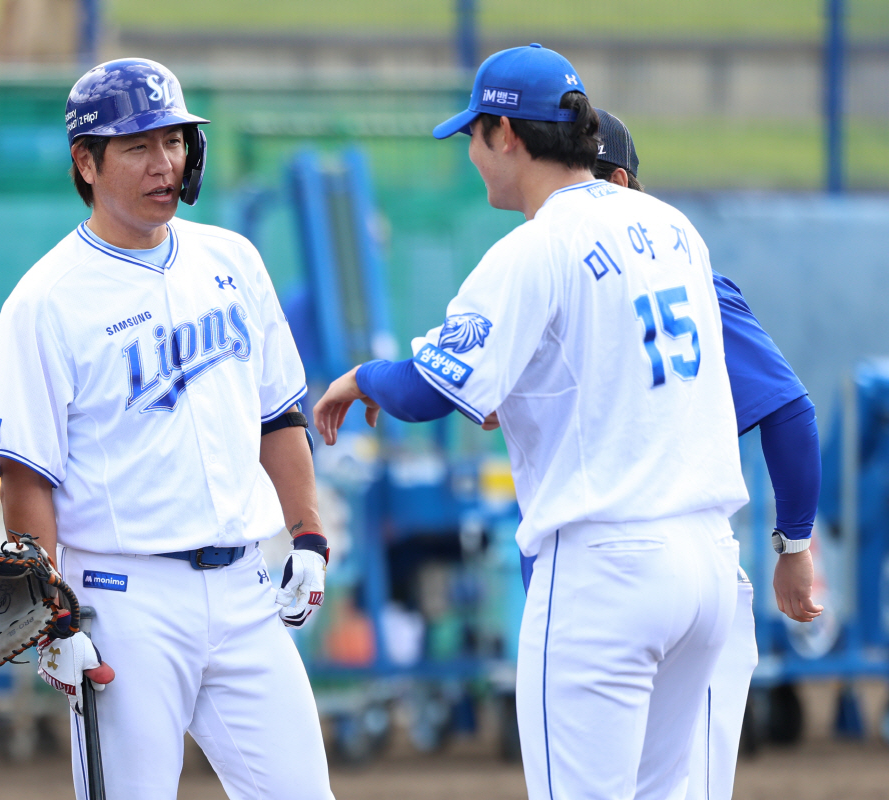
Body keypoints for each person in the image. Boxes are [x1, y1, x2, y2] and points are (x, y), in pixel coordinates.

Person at [313, 44, 748, 798]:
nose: (472, 154)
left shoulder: (538, 245)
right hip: (707, 562)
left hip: (607, 569)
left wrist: (361, 379)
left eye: (474, 135)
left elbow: (425, 391)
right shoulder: (674, 226)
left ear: (507, 133)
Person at [0, 58, 334, 800]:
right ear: (87, 162)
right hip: (124, 599)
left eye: (173, 141)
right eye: (138, 146)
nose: (163, 163)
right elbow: (27, 474)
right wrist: (51, 617)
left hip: (245, 588)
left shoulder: (232, 259)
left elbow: (278, 412)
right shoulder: (45, 301)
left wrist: (307, 534)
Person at [591, 108, 822, 800]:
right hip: (670, 579)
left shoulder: (562, 275)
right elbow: (791, 412)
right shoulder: (664, 274)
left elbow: (789, 411)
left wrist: (795, 544)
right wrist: (793, 547)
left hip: (623, 576)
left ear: (619, 183)